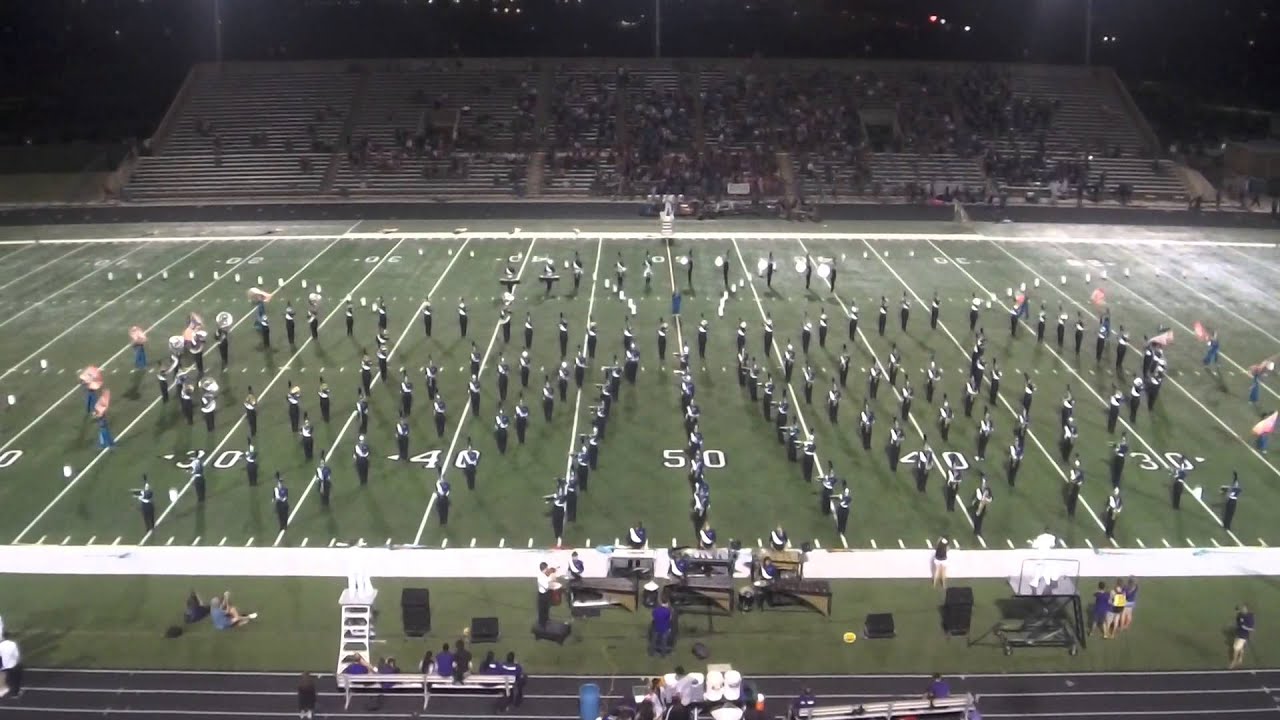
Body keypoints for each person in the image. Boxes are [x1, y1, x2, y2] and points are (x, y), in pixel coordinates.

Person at [1230, 604, 1255, 669]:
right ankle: (1240, 659)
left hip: (1243, 636)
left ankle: (1234, 662)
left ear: (1247, 609)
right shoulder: (1241, 614)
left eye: (1244, 609)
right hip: (1239, 634)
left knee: (1236, 649)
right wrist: (1237, 610)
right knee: (1241, 648)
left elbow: (1251, 628)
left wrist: (1244, 627)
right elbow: (1239, 614)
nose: (1243, 610)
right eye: (1242, 609)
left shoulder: (1250, 617)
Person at [0, 632, 20, 699]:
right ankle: (15, 694)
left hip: (3, 666)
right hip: (12, 665)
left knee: (3, 678)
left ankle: (2, 691)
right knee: (15, 679)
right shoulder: (13, 644)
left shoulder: (1, 645)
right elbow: (16, 655)